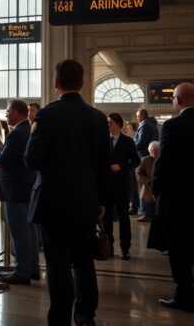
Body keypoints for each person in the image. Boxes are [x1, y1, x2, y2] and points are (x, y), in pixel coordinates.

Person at [24, 59, 110, 326]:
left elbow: (32, 160)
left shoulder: (47, 115)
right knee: (84, 262)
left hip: (53, 205)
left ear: (55, 83)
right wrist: (101, 202)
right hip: (86, 203)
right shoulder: (97, 118)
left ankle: (60, 318)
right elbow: (103, 164)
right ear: (82, 83)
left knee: (58, 264)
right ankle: (85, 316)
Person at [153, 82, 194, 312]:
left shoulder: (172, 126)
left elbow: (163, 163)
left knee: (179, 249)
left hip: (177, 201)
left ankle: (184, 295)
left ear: (177, 101)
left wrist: (157, 190)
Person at [0, 99, 38, 285]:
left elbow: (6, 160)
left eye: (8, 111)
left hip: (16, 190)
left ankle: (22, 271)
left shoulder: (17, 133)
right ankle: (32, 268)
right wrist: (3, 150)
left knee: (20, 232)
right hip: (26, 188)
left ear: (16, 112)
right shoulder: (27, 129)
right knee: (30, 230)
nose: (6, 114)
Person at [103, 113, 140, 260]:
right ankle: (109, 246)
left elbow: (136, 161)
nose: (108, 125)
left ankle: (125, 248)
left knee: (124, 218)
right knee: (106, 219)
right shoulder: (104, 141)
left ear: (118, 124)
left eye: (110, 122)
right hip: (106, 185)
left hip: (122, 185)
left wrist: (122, 166)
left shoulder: (127, 142)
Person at [135, 141, 158, 223]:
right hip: (148, 184)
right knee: (146, 189)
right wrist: (148, 182)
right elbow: (138, 173)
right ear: (149, 150)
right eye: (151, 150)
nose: (153, 152)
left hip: (159, 183)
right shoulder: (145, 160)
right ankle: (145, 214)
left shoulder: (162, 159)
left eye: (155, 150)